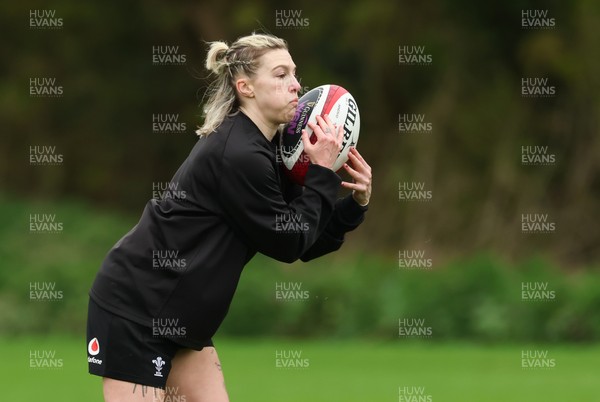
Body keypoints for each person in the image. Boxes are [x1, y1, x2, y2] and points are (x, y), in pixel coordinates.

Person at [87, 32, 372, 402]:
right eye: (281, 75)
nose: (296, 86)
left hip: (184, 319)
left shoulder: (270, 150)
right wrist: (320, 173)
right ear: (245, 87)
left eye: (295, 74)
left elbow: (303, 239)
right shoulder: (238, 153)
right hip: (137, 309)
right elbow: (288, 243)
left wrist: (354, 206)